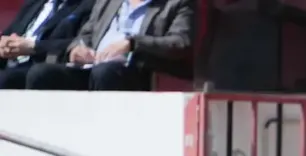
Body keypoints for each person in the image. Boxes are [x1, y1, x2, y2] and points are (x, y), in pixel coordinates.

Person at [24, 0, 192, 91]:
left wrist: (133, 43)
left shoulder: (177, 3)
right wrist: (76, 48)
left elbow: (181, 42)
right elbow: (86, 33)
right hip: (91, 67)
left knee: (105, 72)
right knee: (41, 73)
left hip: (137, 71)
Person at [0, 0, 93, 89]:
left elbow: (80, 42)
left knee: (6, 78)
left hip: (44, 64)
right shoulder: (34, 3)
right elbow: (9, 33)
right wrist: (4, 45)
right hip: (12, 62)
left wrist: (33, 46)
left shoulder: (87, 5)